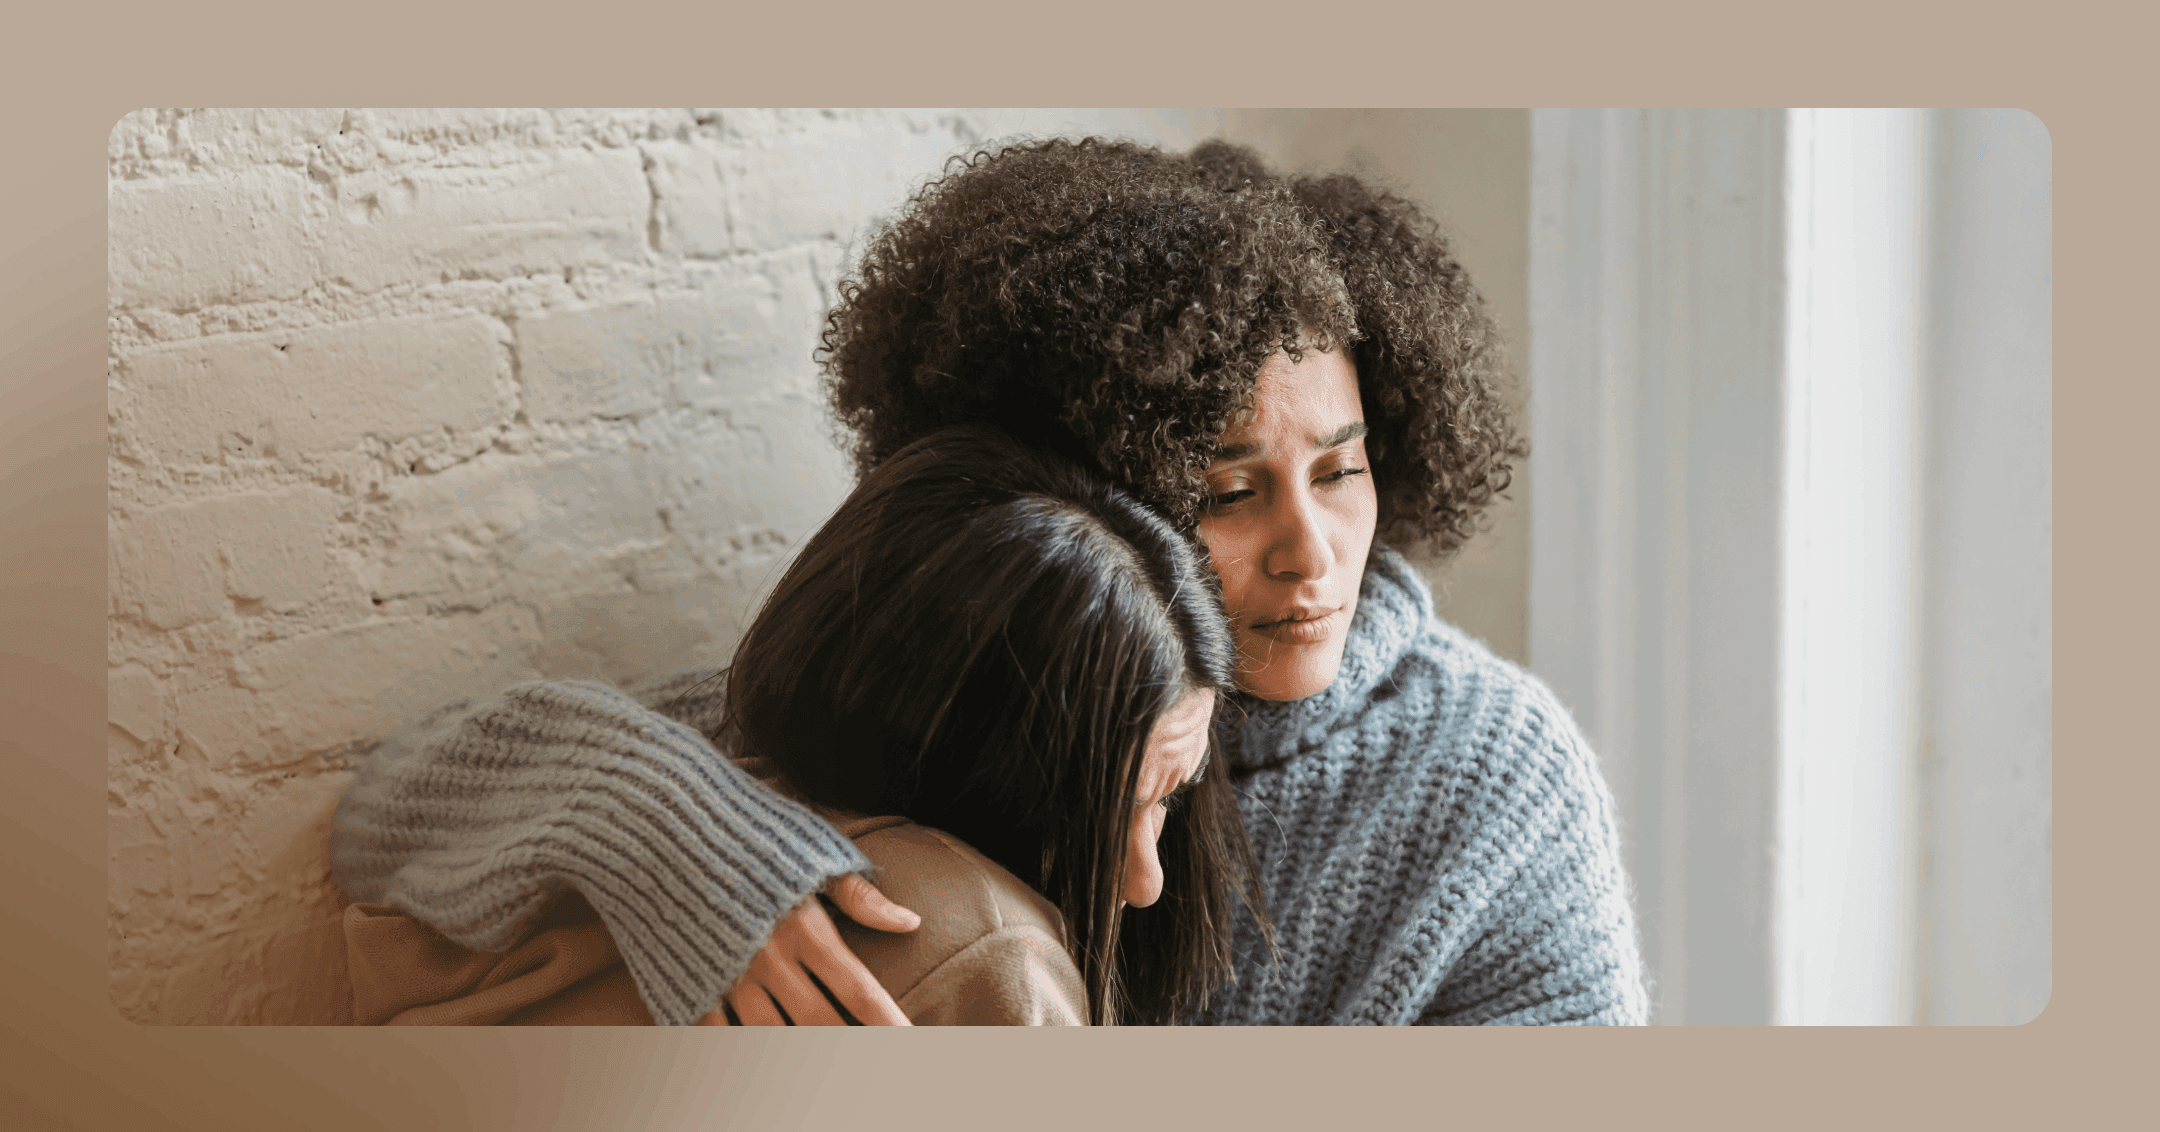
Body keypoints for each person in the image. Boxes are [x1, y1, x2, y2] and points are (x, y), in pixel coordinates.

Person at [331, 136, 1650, 1026]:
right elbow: (396, 804)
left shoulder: (1493, 779)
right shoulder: (998, 675)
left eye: (1344, 474)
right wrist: (693, 851)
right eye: (1229, 493)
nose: (1313, 554)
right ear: (1090, 500)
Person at [333, 424, 1263, 1025]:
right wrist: (682, 830)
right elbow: (379, 807)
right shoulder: (985, 952)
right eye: (1115, 807)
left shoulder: (791, 736)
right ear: (974, 756)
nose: (1146, 883)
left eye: (1170, 802)